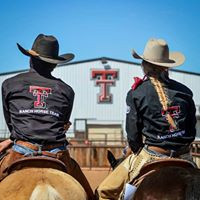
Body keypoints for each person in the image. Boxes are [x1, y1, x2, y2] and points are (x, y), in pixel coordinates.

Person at [96, 38, 197, 200]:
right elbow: (191, 129)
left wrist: (137, 150)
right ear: (167, 66)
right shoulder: (185, 91)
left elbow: (133, 135)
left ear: (144, 65)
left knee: (104, 192)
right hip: (185, 156)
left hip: (152, 155)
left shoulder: (137, 93)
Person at [0, 34, 94, 199]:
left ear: (31, 59)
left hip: (21, 151)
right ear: (55, 64)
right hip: (57, 153)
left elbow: (11, 124)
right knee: (91, 196)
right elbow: (63, 123)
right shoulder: (66, 90)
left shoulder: (9, 84)